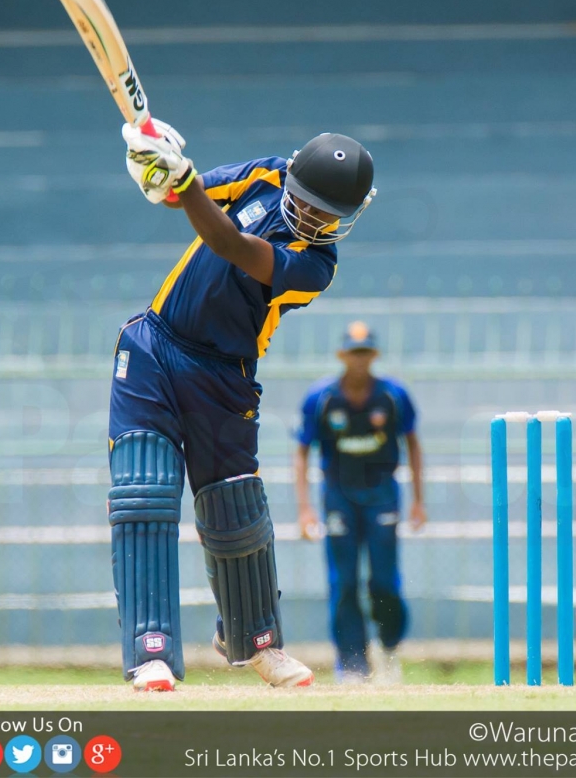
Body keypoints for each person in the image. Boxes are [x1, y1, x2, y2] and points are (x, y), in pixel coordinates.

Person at [107, 120, 377, 691]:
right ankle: (151, 652)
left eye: (327, 213)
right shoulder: (266, 175)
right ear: (292, 178)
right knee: (145, 491)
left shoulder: (316, 266)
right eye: (306, 201)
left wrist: (183, 183)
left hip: (224, 378)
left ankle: (254, 640)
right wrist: (154, 169)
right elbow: (186, 195)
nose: (312, 216)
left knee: (234, 509)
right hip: (154, 346)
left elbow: (230, 245)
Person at [295, 322, 426, 683]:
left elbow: (413, 444)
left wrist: (418, 501)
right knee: (344, 581)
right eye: (354, 353)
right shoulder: (321, 398)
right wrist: (305, 509)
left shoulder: (393, 395)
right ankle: (352, 663)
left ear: (374, 355)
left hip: (382, 494)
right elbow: (302, 451)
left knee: (384, 580)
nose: (359, 359)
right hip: (339, 496)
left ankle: (389, 647)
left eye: (365, 352)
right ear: (342, 355)